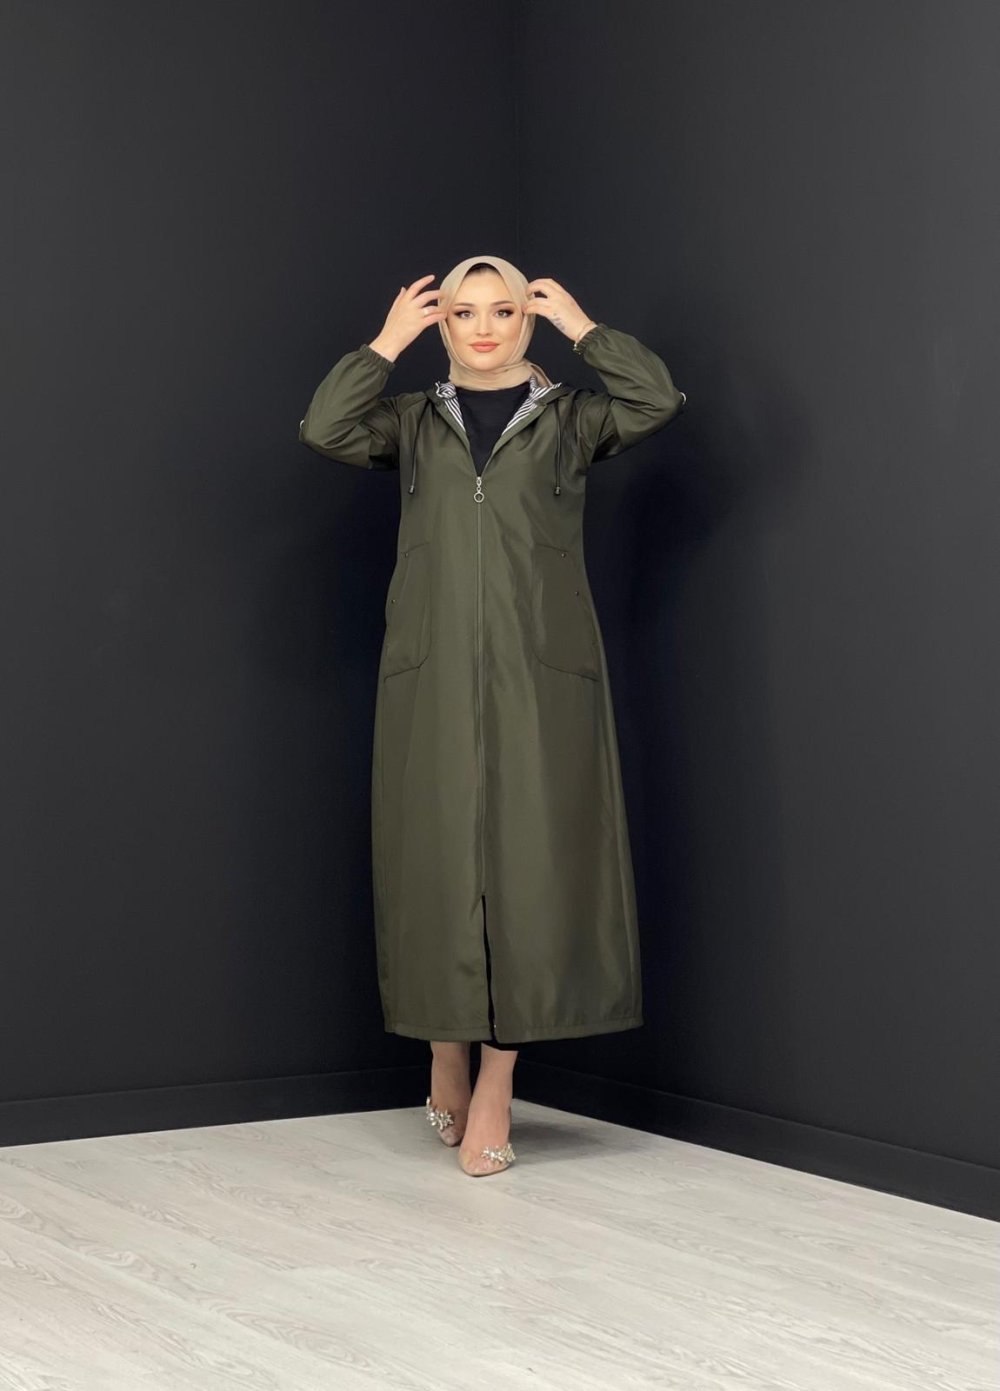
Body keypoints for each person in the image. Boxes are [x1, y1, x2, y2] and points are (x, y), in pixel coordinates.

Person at [299, 255, 686, 1175]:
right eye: (464, 312)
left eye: (503, 311)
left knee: (531, 872)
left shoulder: (572, 419)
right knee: (435, 863)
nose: (483, 327)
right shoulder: (410, 421)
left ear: (526, 322)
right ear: (442, 326)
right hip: (429, 675)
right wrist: (384, 343)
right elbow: (325, 427)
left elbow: (656, 400)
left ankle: (499, 1083)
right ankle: (444, 1047)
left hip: (541, 676)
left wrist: (584, 328)